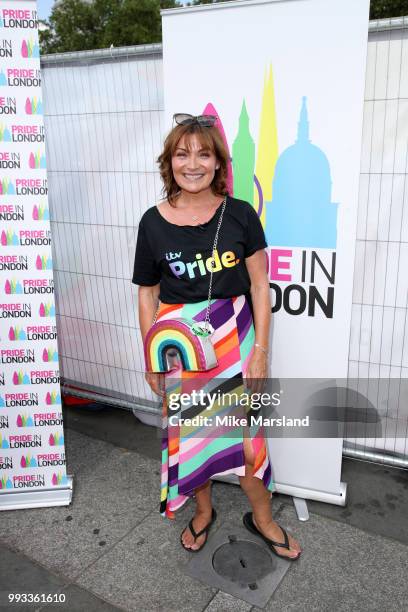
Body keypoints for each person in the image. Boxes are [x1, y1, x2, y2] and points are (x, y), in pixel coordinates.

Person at [132, 113, 302, 560]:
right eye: (182, 154)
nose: (193, 164)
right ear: (169, 163)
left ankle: (263, 519)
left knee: (248, 440)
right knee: (193, 439)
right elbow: (148, 292)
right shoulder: (151, 222)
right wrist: (152, 355)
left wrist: (261, 352)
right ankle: (203, 512)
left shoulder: (242, 214)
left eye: (203, 154)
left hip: (237, 344)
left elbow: (261, 286)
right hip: (179, 349)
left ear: (218, 162)